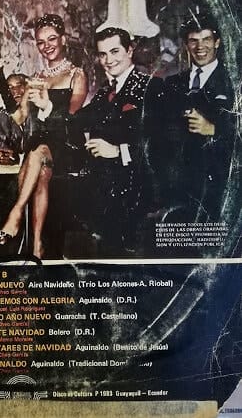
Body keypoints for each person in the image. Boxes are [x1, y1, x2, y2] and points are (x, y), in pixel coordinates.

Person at [0, 14, 87, 258]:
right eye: (41, 42)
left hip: (67, 145)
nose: (47, 46)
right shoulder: (36, 78)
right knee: (41, 169)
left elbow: (73, 119)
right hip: (42, 149)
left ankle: (16, 213)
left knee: (38, 153)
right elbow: (20, 117)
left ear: (63, 39)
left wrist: (47, 106)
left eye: (52, 39)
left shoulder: (77, 75)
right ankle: (37, 246)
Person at [69, 27, 162, 256]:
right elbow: (77, 121)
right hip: (102, 189)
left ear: (130, 50)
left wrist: (118, 151)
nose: (108, 60)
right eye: (102, 54)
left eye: (114, 51)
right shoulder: (105, 91)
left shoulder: (151, 86)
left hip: (136, 192)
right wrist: (47, 106)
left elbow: (161, 145)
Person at [162, 14, 235, 223]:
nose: (200, 46)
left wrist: (213, 129)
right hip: (178, 187)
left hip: (218, 187)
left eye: (206, 39)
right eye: (193, 40)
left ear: (217, 42)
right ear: (186, 45)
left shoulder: (233, 81)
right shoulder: (171, 83)